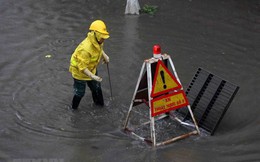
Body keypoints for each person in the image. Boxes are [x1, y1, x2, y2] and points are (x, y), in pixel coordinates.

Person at [69, 20, 110, 110]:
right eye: (102, 37)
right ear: (96, 34)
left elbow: (99, 48)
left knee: (96, 88)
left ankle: (100, 106)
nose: (103, 39)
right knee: (80, 93)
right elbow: (82, 67)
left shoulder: (98, 40)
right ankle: (73, 109)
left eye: (104, 37)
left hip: (91, 68)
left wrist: (104, 55)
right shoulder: (85, 49)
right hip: (79, 72)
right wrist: (92, 76)